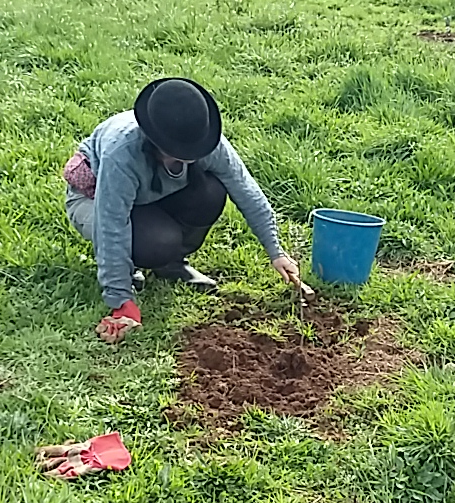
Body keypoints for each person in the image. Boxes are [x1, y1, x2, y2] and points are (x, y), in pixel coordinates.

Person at [63, 77, 300, 344]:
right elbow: (111, 224)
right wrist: (121, 301)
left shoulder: (203, 140)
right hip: (94, 200)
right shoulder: (122, 154)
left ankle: (171, 265)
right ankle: (135, 266)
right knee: (156, 242)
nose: (191, 154)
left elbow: (245, 189)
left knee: (210, 192)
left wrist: (276, 252)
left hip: (151, 196)